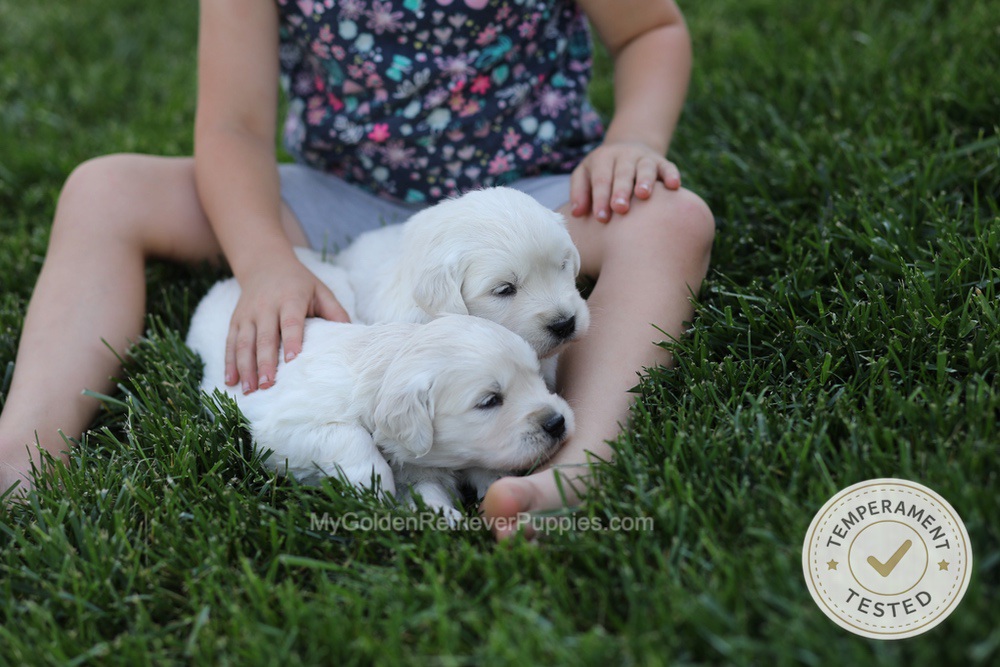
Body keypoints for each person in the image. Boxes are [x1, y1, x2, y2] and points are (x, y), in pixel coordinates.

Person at [0, 0, 714, 538]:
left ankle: (578, 464)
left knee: (673, 220)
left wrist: (633, 139)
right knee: (103, 190)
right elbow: (232, 127)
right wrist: (265, 260)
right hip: (338, 200)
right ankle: (21, 452)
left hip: (529, 200)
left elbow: (649, 29)